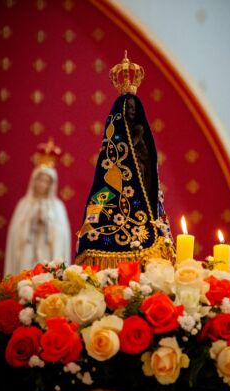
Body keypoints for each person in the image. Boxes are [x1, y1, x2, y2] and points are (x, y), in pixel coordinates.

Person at [75, 67, 173, 268]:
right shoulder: (115, 145)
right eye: (128, 111)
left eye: (134, 112)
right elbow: (109, 174)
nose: (132, 115)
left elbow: (148, 163)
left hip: (143, 192)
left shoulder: (142, 137)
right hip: (117, 188)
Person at [4, 164, 71, 276]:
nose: (42, 184)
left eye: (46, 181)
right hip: (28, 251)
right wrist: (30, 222)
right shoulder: (24, 204)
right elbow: (15, 233)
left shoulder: (57, 206)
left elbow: (63, 235)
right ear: (34, 181)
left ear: (51, 184)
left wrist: (47, 222)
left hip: (47, 252)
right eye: (40, 180)